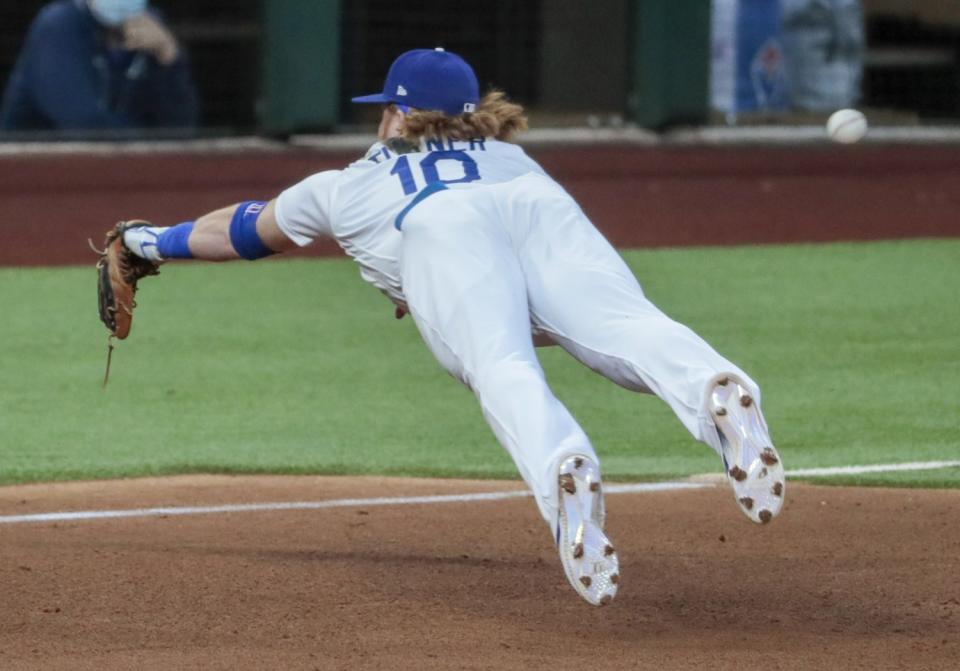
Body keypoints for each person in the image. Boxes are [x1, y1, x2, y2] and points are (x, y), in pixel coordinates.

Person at [109, 48, 785, 607]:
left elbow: (241, 232)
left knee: (501, 365)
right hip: (537, 207)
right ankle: (714, 389)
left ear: (399, 112)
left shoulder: (344, 186)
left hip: (439, 233)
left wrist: (150, 240)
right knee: (628, 327)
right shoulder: (513, 156)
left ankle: (563, 470)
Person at [1, 0, 198, 132]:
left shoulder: (151, 28)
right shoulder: (58, 25)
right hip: (33, 177)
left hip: (120, 176)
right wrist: (150, 146)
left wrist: (169, 57)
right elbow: (84, 125)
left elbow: (181, 128)